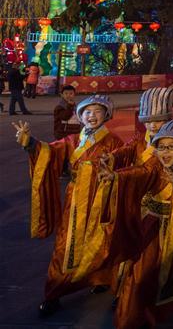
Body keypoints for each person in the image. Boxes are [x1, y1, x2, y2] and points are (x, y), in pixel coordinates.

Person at [13, 94, 123, 317]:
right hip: (75, 202)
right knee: (65, 246)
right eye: (87, 112)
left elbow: (123, 169)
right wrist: (30, 143)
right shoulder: (73, 141)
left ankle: (100, 278)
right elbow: (50, 152)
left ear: (107, 115)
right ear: (80, 116)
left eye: (98, 111)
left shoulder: (114, 142)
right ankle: (54, 292)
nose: (92, 116)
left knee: (103, 241)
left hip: (102, 201)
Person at [96, 119, 173, 328]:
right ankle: (130, 317)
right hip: (151, 226)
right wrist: (116, 178)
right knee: (140, 274)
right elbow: (140, 173)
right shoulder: (155, 165)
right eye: (161, 147)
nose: (165, 152)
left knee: (170, 274)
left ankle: (154, 311)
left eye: (171, 147)